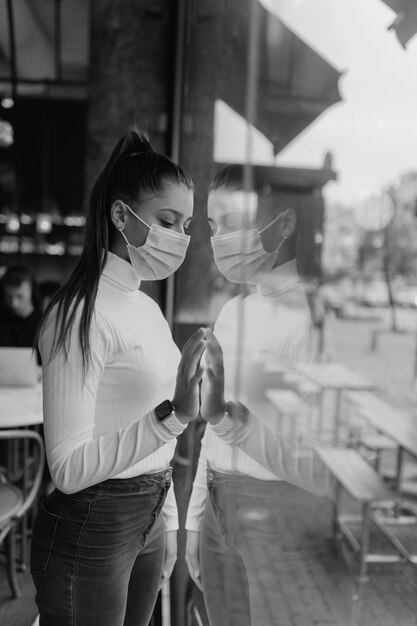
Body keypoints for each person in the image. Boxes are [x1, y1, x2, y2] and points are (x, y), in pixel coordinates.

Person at [30, 128, 208, 626]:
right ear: (119, 215)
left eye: (187, 225)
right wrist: (172, 416)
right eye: (167, 221)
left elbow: (155, 444)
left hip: (147, 518)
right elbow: (66, 468)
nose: (178, 238)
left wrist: (168, 521)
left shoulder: (146, 308)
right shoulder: (78, 315)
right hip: (92, 528)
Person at [185, 167, 330, 626]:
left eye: (232, 222)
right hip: (216, 508)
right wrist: (195, 519)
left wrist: (232, 421)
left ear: (283, 224)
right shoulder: (232, 312)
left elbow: (317, 469)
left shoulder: (307, 322)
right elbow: (211, 430)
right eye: (213, 226)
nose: (220, 239)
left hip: (275, 516)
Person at [0, 264, 42, 348]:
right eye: (8, 297)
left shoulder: (44, 323)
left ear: (33, 293)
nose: (14, 304)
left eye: (20, 296)